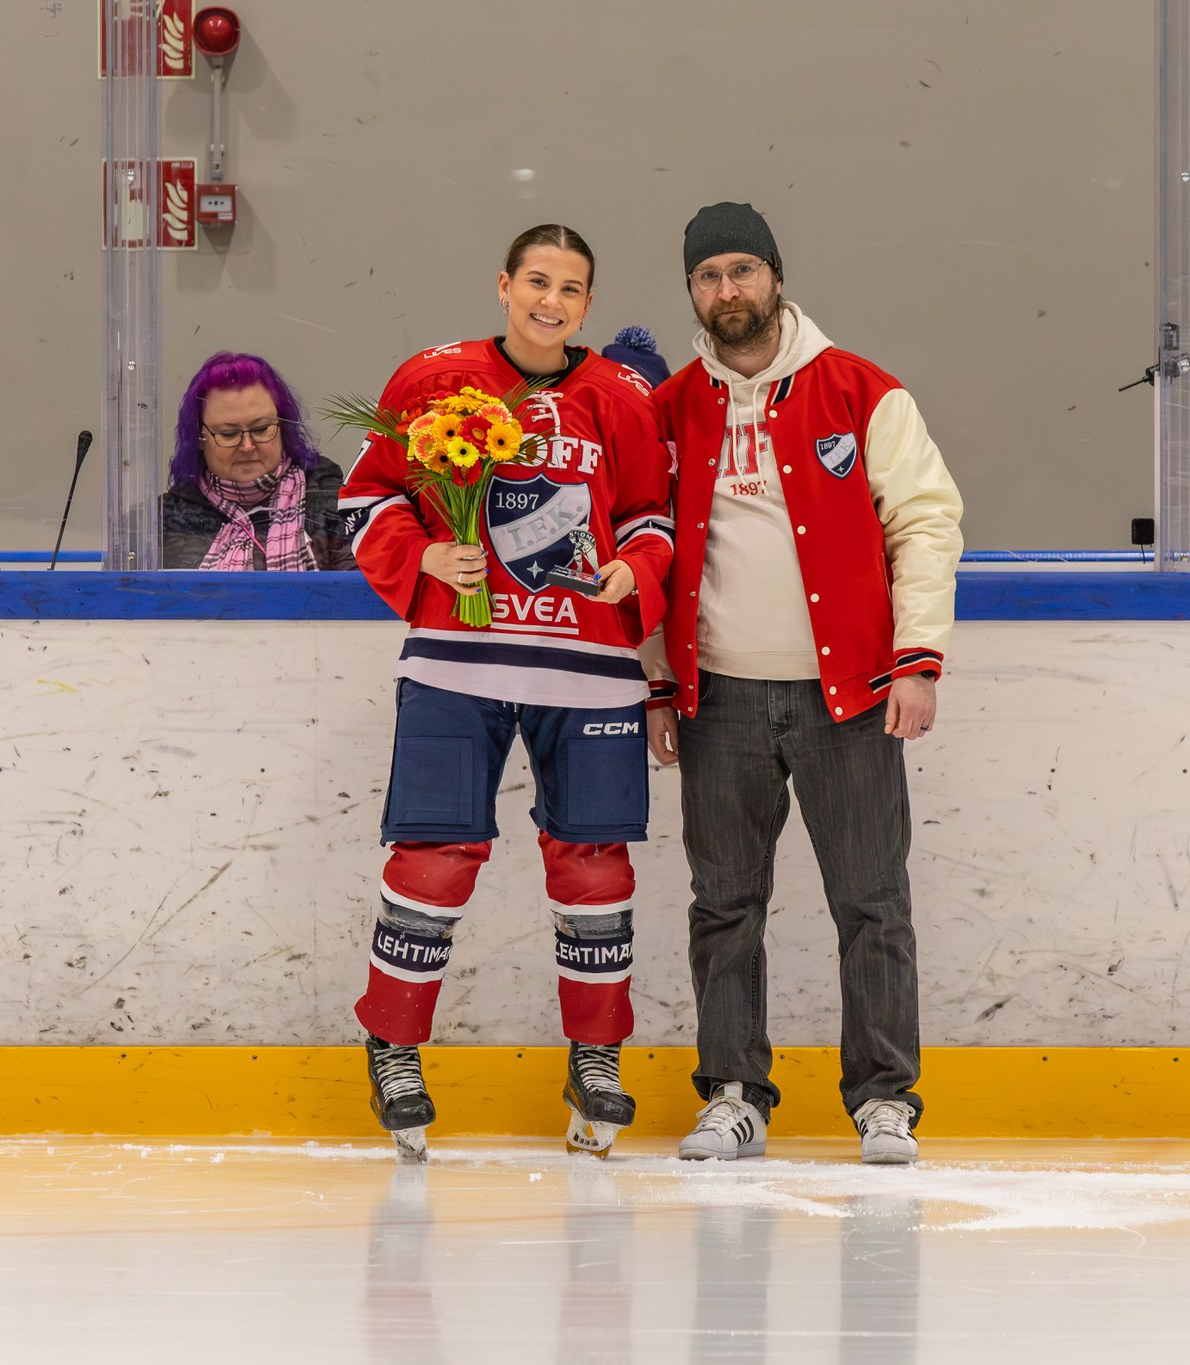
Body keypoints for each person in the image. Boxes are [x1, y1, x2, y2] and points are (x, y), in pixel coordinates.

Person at [338, 224, 674, 1161]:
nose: (550, 301)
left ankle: (596, 1057)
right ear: (503, 284)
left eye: (570, 288)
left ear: (588, 304)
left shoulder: (621, 397)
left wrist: (636, 568)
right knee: (434, 860)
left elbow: (653, 515)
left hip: (588, 668)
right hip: (458, 661)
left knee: (594, 869)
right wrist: (423, 555)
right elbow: (367, 498)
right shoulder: (432, 380)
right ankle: (393, 1044)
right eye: (536, 280)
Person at [647, 202, 964, 1165]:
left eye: (743, 270)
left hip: (851, 698)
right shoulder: (668, 408)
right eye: (708, 276)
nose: (727, 290)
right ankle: (734, 1093)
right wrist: (659, 683)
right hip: (718, 701)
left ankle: (884, 1098)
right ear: (692, 291)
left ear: (777, 276)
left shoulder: (863, 392)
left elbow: (925, 523)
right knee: (723, 905)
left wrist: (917, 658)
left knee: (872, 901)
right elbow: (645, 550)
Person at [161, 352, 355, 570]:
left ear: (283, 426)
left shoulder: (336, 502)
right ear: (199, 438)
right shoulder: (160, 522)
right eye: (228, 434)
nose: (247, 446)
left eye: (261, 429)